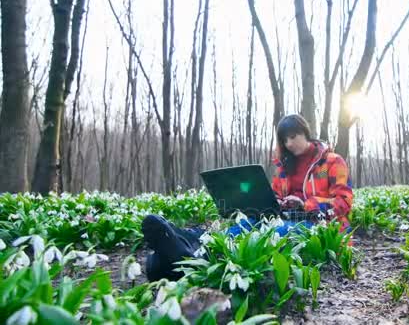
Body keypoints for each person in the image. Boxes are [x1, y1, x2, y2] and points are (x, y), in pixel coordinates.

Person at [142, 114, 353, 281]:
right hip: (285, 216)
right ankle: (189, 242)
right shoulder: (284, 166)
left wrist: (305, 204)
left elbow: (344, 200)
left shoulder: (332, 162)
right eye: (284, 139)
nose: (289, 143)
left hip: (320, 224)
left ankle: (191, 259)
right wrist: (276, 202)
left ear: (305, 132)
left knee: (273, 232)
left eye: (293, 136)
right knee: (247, 224)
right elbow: (275, 195)